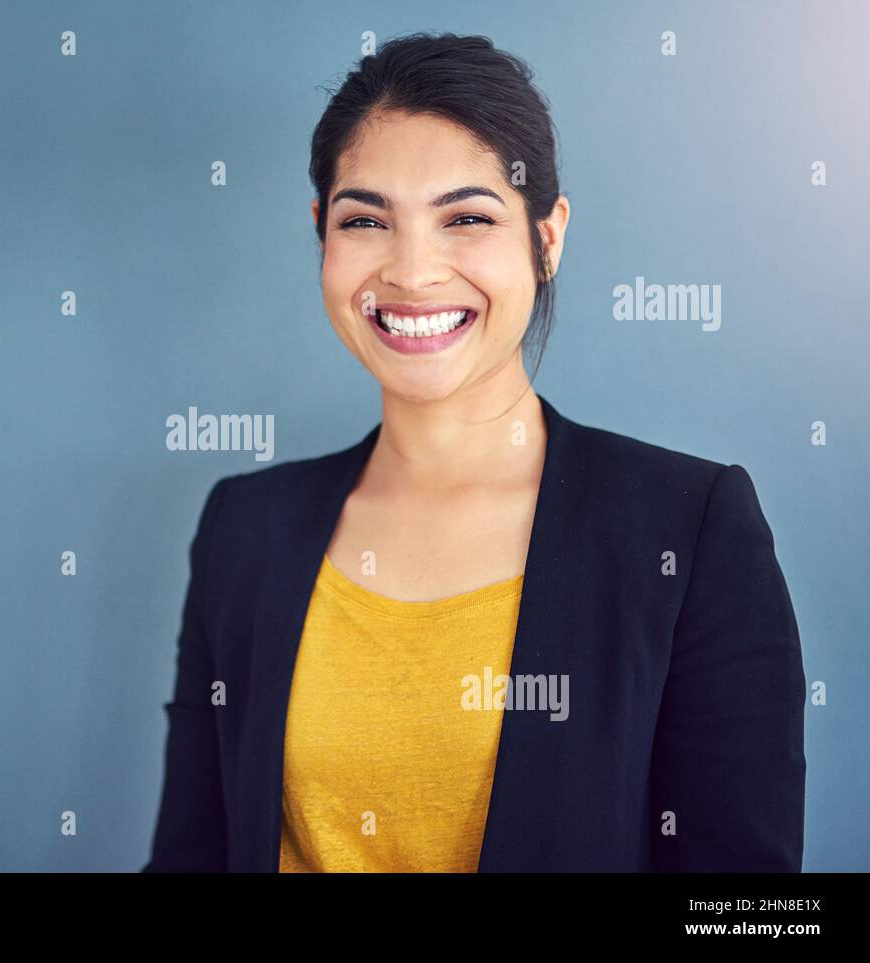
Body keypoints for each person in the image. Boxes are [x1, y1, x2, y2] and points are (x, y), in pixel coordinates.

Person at [143, 32, 805, 872]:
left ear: (547, 236)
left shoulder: (690, 529)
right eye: (365, 219)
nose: (413, 273)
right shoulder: (244, 528)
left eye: (466, 218)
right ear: (322, 236)